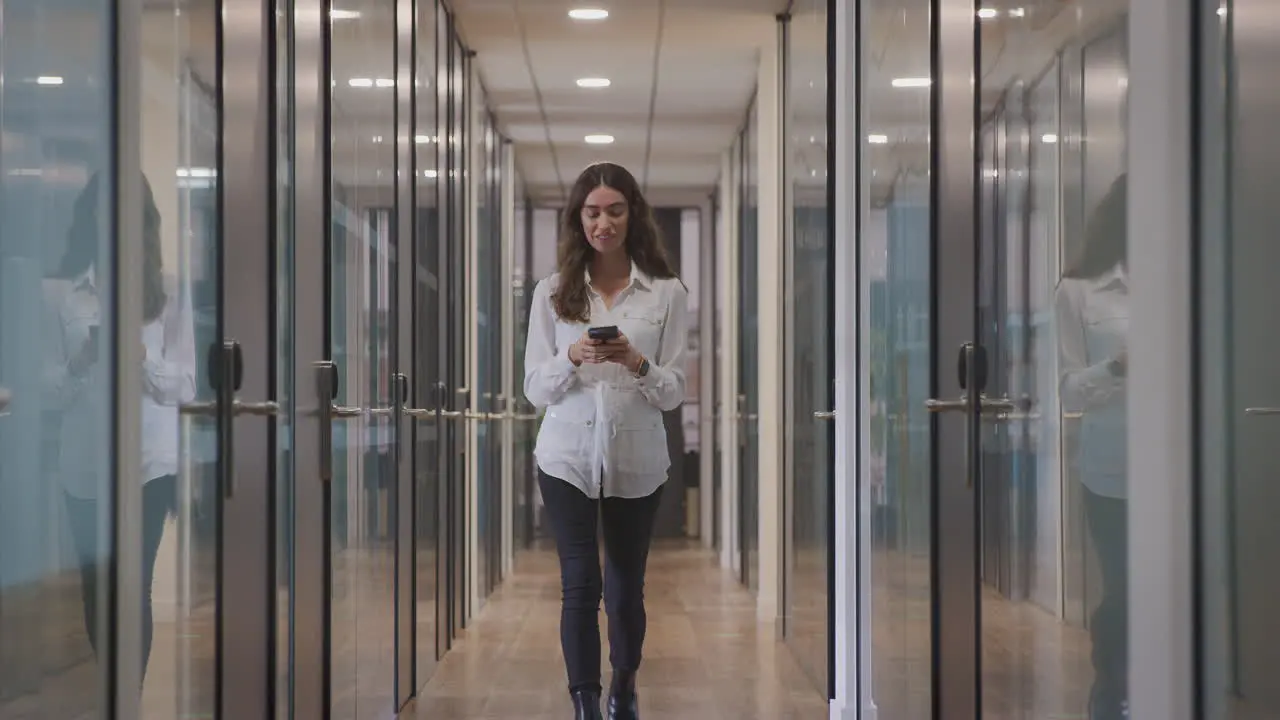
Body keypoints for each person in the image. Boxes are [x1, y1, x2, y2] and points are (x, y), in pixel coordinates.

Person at [523, 162, 688, 720]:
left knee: (623, 587)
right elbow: (533, 389)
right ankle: (586, 704)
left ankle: (623, 685)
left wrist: (636, 362)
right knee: (579, 583)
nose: (604, 222)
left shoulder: (666, 293)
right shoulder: (552, 292)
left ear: (632, 214)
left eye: (615, 210)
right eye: (592, 212)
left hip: (636, 460)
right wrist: (571, 357)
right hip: (566, 457)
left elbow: (673, 392)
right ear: (579, 219)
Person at [48, 173, 197, 683]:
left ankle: (126, 699)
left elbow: (186, 386)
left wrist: (143, 359)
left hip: (148, 463)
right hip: (83, 464)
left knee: (133, 585)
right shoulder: (68, 296)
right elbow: (47, 392)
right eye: (103, 207)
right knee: (96, 584)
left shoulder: (170, 294)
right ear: (91, 215)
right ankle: (112, 687)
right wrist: (81, 361)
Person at [1055, 174, 1128, 720]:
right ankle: (1112, 694)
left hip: (1185, 471)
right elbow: (1068, 390)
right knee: (1124, 591)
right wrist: (1119, 367)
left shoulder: (1187, 280)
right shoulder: (1079, 291)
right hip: (1112, 473)